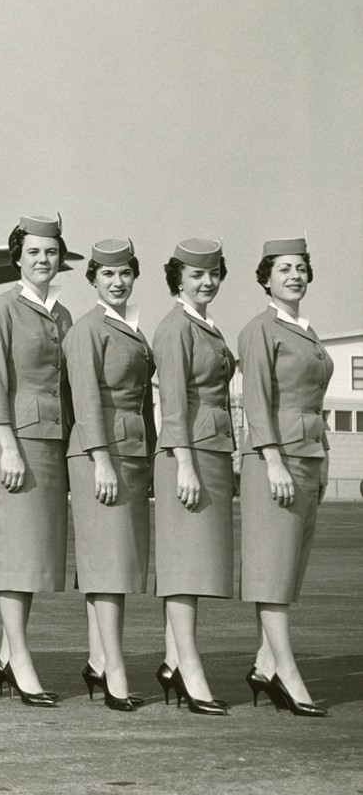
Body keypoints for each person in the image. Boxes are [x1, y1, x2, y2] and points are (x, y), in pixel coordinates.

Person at [0, 214, 71, 707]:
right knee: (16, 554)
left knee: (33, 555)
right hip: (18, 444)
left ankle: (6, 654)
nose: (42, 260)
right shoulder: (0, 310)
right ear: (17, 257)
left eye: (51, 252)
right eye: (33, 252)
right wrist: (6, 444)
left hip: (53, 443)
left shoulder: (63, 315)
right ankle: (20, 659)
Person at [237, 237, 332, 717]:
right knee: (273, 572)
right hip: (276, 462)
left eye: (300, 268)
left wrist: (323, 456)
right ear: (266, 279)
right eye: (283, 269)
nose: (295, 276)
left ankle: (264, 665)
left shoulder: (306, 331)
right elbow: (255, 401)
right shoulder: (260, 329)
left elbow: (314, 401)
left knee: (290, 570)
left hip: (309, 458)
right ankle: (287, 673)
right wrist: (272, 460)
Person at [64, 239, 155, 712]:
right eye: (107, 275)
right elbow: (84, 400)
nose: (117, 282)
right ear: (93, 280)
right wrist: (100, 459)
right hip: (100, 456)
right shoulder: (87, 330)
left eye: (125, 274)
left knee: (111, 563)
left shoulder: (130, 329)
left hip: (130, 455)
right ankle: (114, 670)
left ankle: (99, 661)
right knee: (109, 566)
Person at [152, 238, 233, 716]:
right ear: (178, 280)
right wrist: (183, 462)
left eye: (214, 274)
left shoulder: (204, 324)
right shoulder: (175, 327)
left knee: (195, 564)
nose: (207, 282)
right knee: (184, 568)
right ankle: (189, 669)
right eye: (198, 275)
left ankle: (172, 661)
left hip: (211, 451)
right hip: (189, 456)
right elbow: (173, 403)